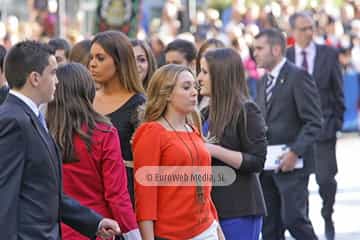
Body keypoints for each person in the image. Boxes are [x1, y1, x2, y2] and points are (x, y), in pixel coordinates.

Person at [0, 40, 120, 239]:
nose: (57, 81)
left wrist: (94, 222)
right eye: (53, 73)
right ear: (35, 78)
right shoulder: (12, 120)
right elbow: (4, 197)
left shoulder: (31, 116)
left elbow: (47, 192)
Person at [46, 63, 141, 240]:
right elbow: (117, 194)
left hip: (55, 228)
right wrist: (133, 234)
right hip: (98, 228)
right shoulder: (103, 133)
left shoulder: (44, 131)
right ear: (87, 91)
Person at [133, 64, 223, 240]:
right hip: (171, 234)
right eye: (186, 87)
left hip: (207, 228)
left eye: (194, 87)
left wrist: (217, 228)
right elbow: (145, 197)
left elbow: (205, 188)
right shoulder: (152, 132)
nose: (194, 92)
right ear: (166, 94)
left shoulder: (193, 129)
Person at [253, 29, 322, 240]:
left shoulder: (298, 76)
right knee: (270, 228)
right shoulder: (263, 81)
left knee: (295, 221)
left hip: (293, 167)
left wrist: (294, 152)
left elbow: (314, 121)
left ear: (276, 49)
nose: (254, 53)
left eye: (259, 48)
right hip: (267, 168)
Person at [286, 12, 346, 240]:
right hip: (295, 133)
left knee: (325, 181)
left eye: (311, 27)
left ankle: (327, 213)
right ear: (293, 31)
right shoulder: (287, 55)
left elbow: (338, 92)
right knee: (299, 184)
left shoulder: (328, 54)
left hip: (324, 130)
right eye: (303, 29)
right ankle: (306, 225)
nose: (309, 32)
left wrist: (336, 124)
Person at [197, 48, 267, 240]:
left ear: (221, 75)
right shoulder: (205, 113)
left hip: (239, 208)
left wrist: (213, 150)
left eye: (204, 72)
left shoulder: (246, 110)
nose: (199, 78)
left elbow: (257, 161)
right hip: (210, 209)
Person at [89, 31, 145, 205]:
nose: (92, 64)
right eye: (91, 58)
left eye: (100, 58)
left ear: (119, 62)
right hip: (88, 195)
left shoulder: (139, 105)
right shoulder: (86, 99)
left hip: (124, 198)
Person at [195, 38, 225, 112]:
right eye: (203, 55)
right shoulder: (196, 92)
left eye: (212, 55)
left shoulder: (244, 109)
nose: (206, 58)